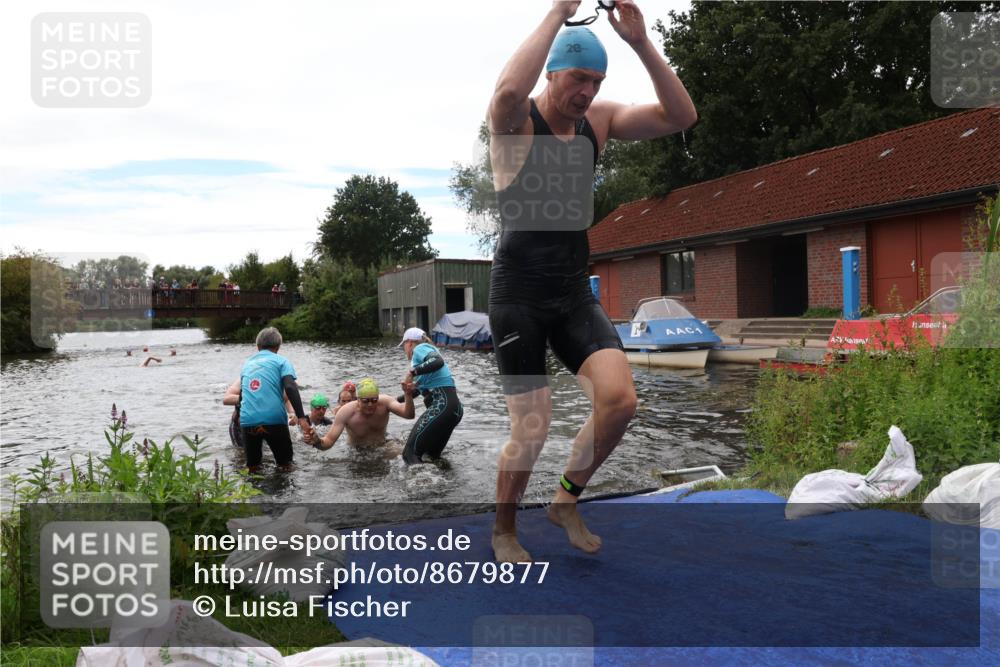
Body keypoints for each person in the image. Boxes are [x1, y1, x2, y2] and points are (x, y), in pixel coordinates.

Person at [486, 1, 697, 562]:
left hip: (572, 290)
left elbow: (680, 117)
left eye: (597, 82)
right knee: (532, 426)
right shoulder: (515, 123)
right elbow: (508, 89)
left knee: (619, 401)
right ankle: (504, 529)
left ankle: (565, 500)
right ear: (552, 72)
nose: (587, 92)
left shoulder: (597, 122)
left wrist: (640, 42)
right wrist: (559, 11)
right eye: (579, 78)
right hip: (518, 294)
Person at [238, 327, 312, 472]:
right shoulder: (281, 361)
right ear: (278, 347)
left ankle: (254, 486)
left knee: (253, 467)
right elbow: (290, 386)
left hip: (248, 420)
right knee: (285, 466)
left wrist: (238, 414)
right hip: (274, 420)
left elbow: (243, 393)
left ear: (257, 346)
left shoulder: (247, 364)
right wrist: (302, 418)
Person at [398, 328, 464, 464]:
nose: (404, 349)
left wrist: (412, 372)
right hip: (453, 409)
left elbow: (438, 361)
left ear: (409, 343)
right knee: (431, 457)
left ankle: (417, 479)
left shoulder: (420, 348)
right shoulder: (425, 367)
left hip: (443, 405)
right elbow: (417, 392)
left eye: (403, 345)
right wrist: (392, 400)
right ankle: (443, 479)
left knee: (409, 454)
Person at [309, 378, 414, 451]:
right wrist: (317, 441)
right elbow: (329, 441)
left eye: (374, 400)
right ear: (357, 400)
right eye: (365, 401)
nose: (370, 404)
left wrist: (408, 395)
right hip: (357, 452)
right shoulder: (346, 412)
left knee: (404, 453)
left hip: (382, 446)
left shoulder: (385, 402)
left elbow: (409, 415)